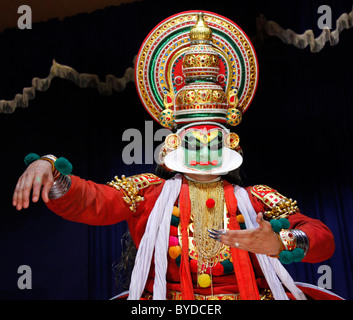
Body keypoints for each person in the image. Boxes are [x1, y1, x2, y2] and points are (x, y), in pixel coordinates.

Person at [12, 11, 341, 300]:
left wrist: (283, 242)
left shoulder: (257, 199)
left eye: (213, 141)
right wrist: (50, 168)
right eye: (194, 142)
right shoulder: (150, 193)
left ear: (232, 145)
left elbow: (322, 238)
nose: (203, 151)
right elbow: (91, 201)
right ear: (173, 146)